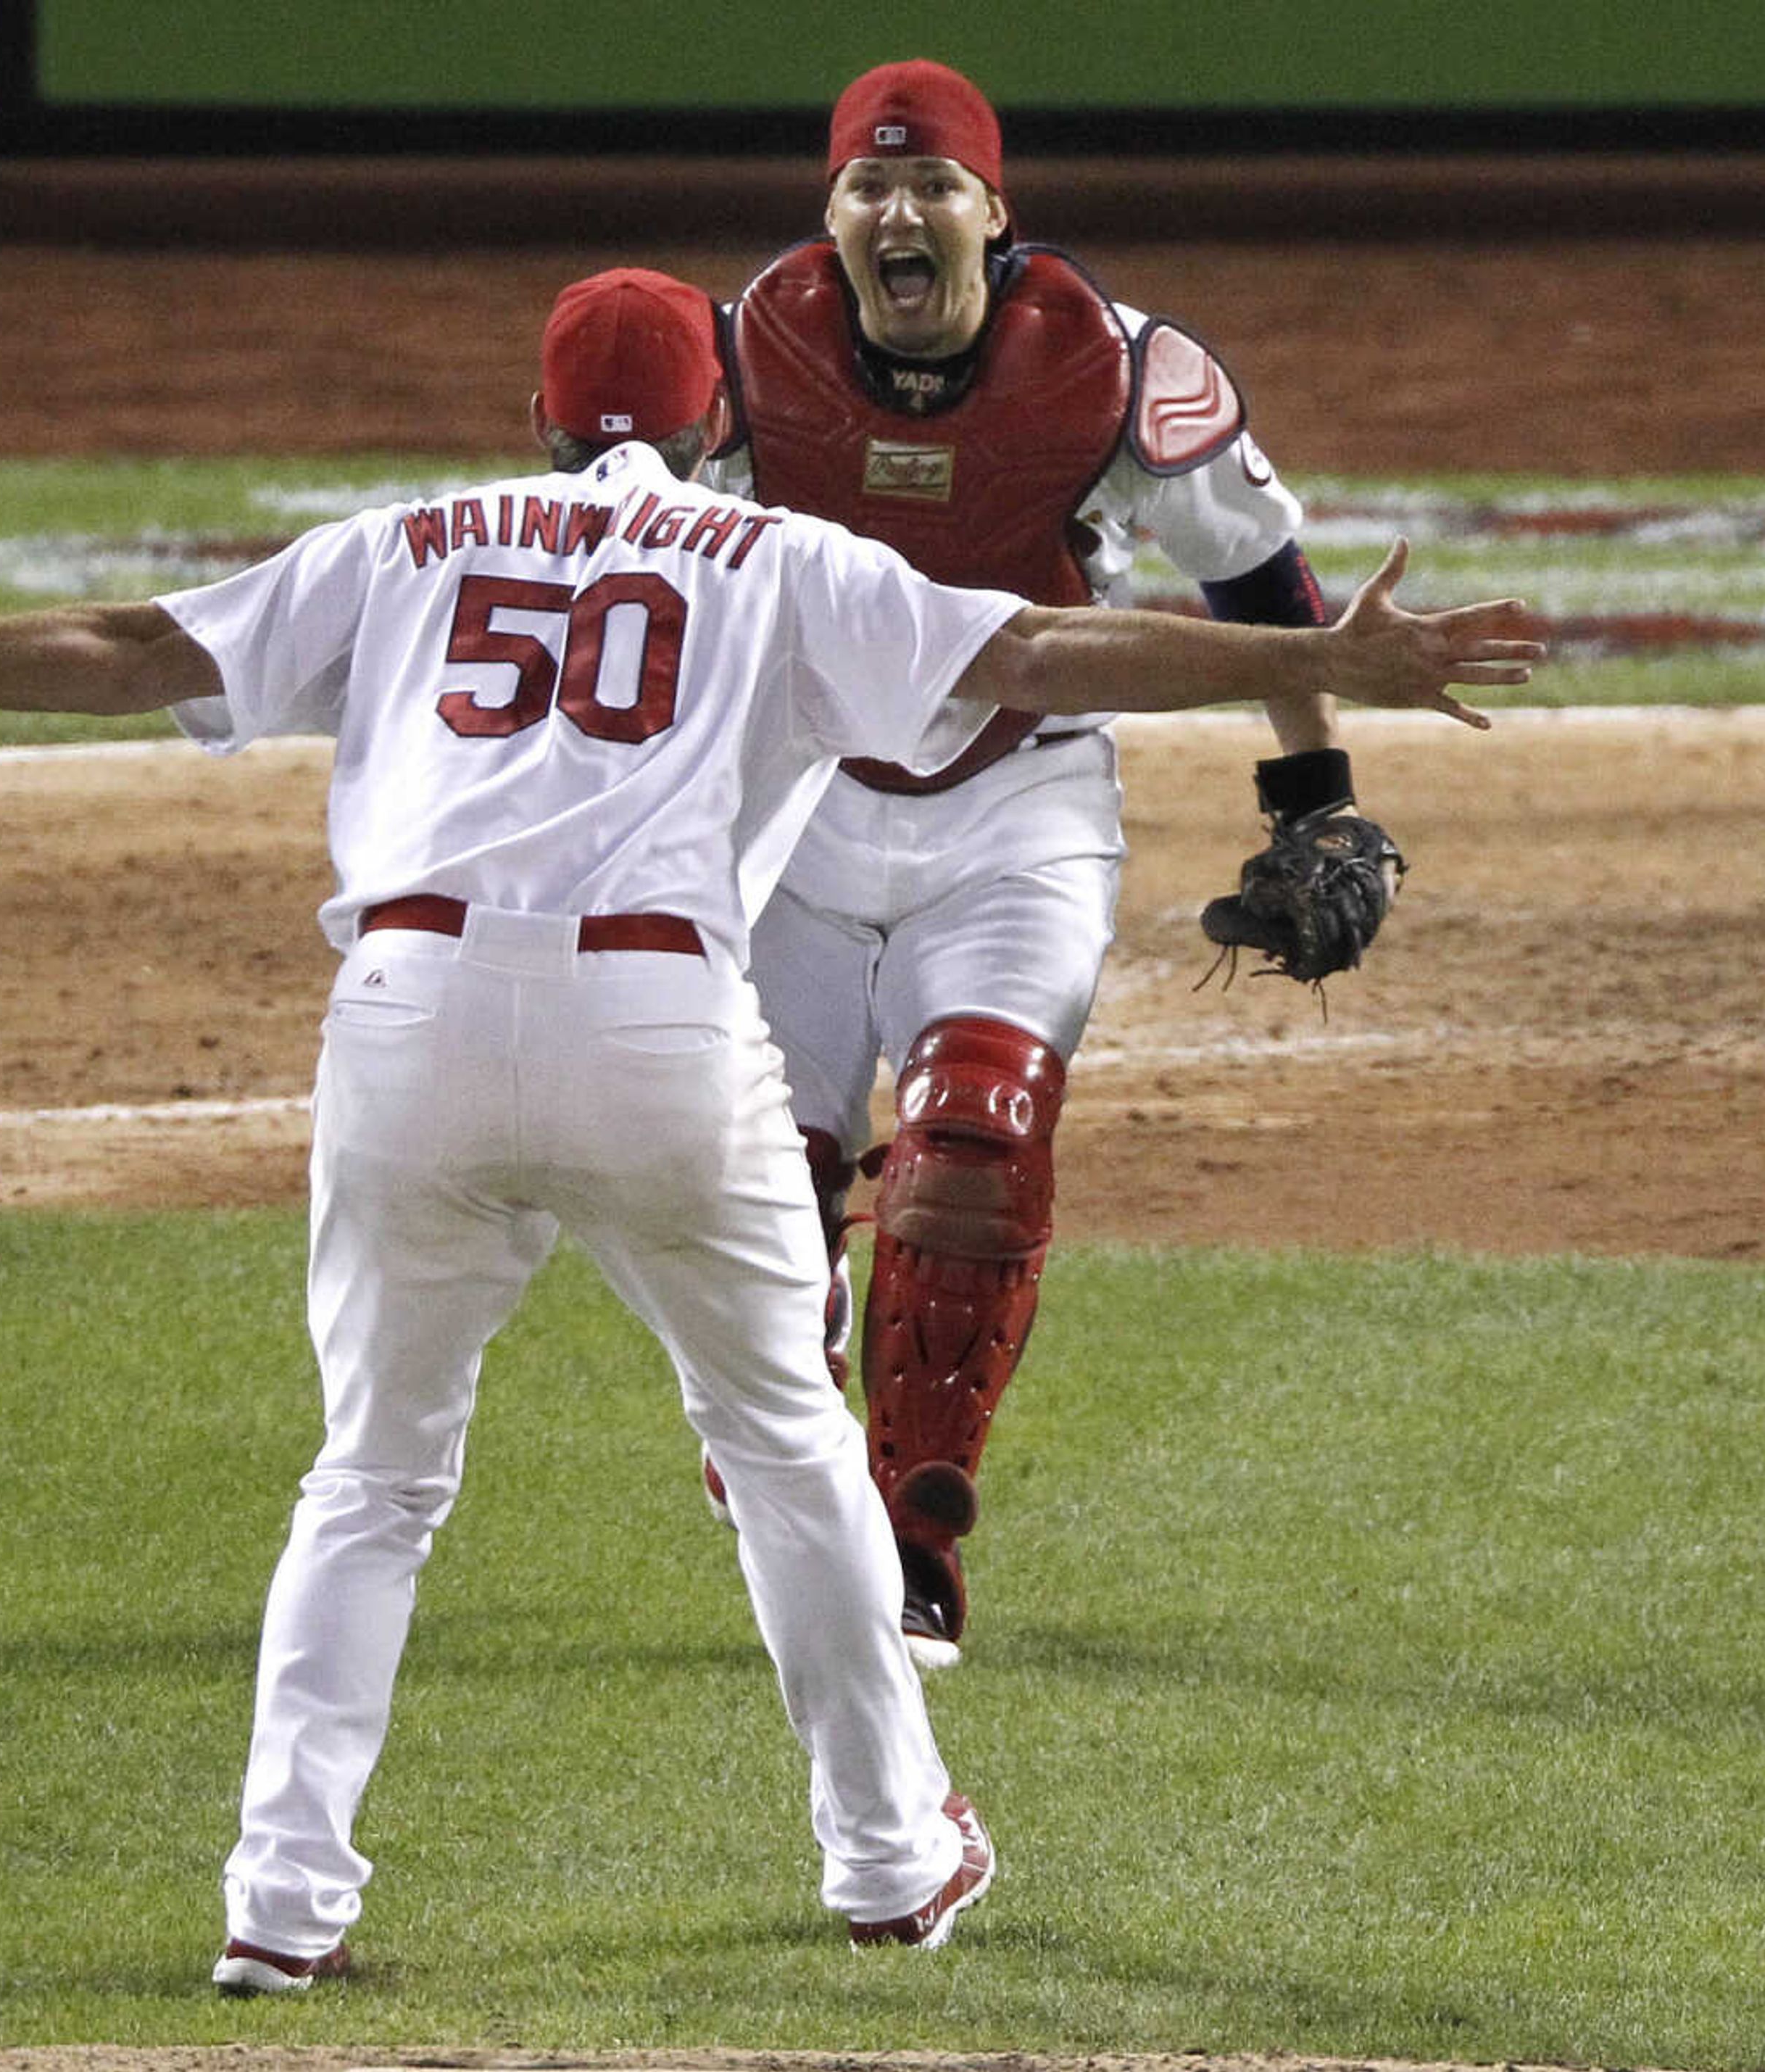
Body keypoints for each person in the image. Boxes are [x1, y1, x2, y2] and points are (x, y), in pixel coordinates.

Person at [0, 269, 1537, 1984]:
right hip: (661, 1035)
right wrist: (1320, 659)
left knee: (373, 1480)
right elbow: (1039, 644)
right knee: (787, 1446)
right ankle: (892, 1857)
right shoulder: (781, 556)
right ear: (719, 420)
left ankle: (281, 1902)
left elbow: (121, 647)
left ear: (536, 418)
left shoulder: (405, 540)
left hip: (409, 1027)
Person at [697, 58, 1403, 1667]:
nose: (900, 213)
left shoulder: (1112, 368)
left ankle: (917, 1541)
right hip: (792, 811)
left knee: (977, 1141)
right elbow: (629, 558)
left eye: (933, 185)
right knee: (761, 1196)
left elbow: (1258, 591)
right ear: (828, 221)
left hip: (1017, 805)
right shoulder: (748, 354)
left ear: (993, 215)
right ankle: (793, 1468)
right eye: (867, 188)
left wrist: (1313, 797)